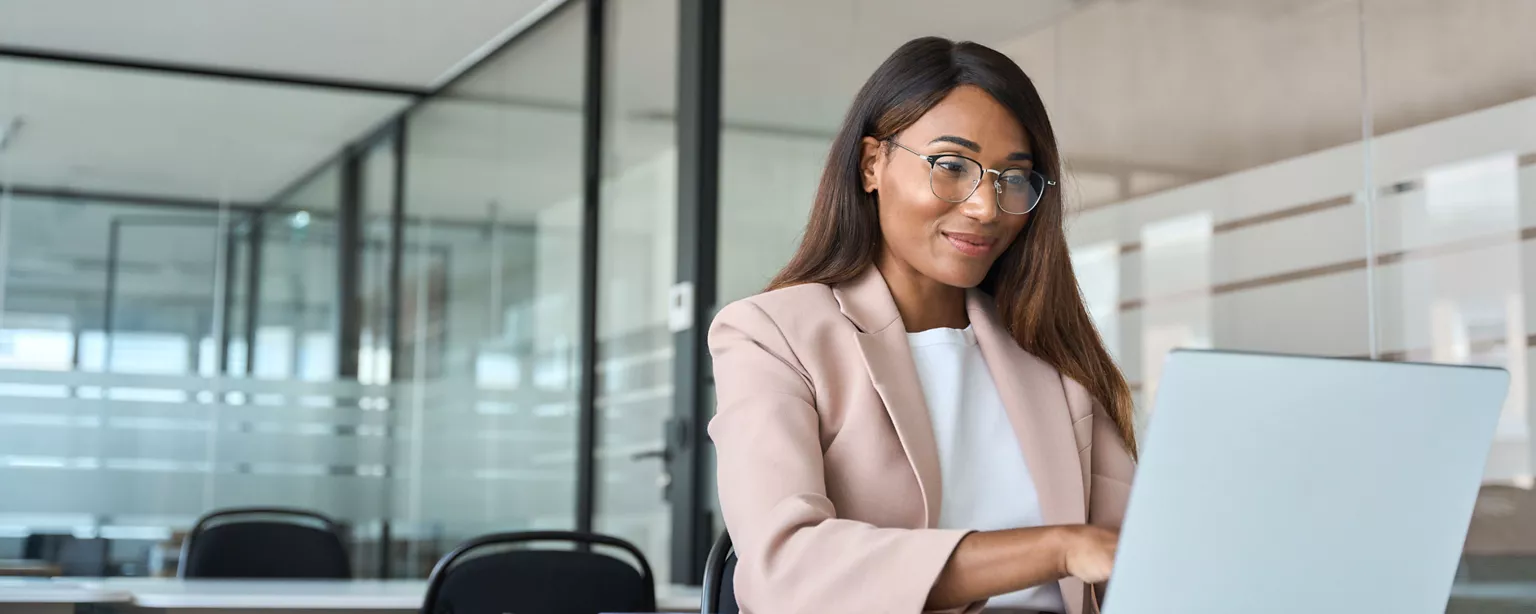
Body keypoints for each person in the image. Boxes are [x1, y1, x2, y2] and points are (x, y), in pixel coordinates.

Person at [707, 36, 1137, 614]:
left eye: (1013, 179)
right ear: (871, 165)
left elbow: (1136, 553)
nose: (987, 207)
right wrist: (1057, 547)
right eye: (952, 166)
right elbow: (786, 572)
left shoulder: (1051, 358)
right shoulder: (773, 335)